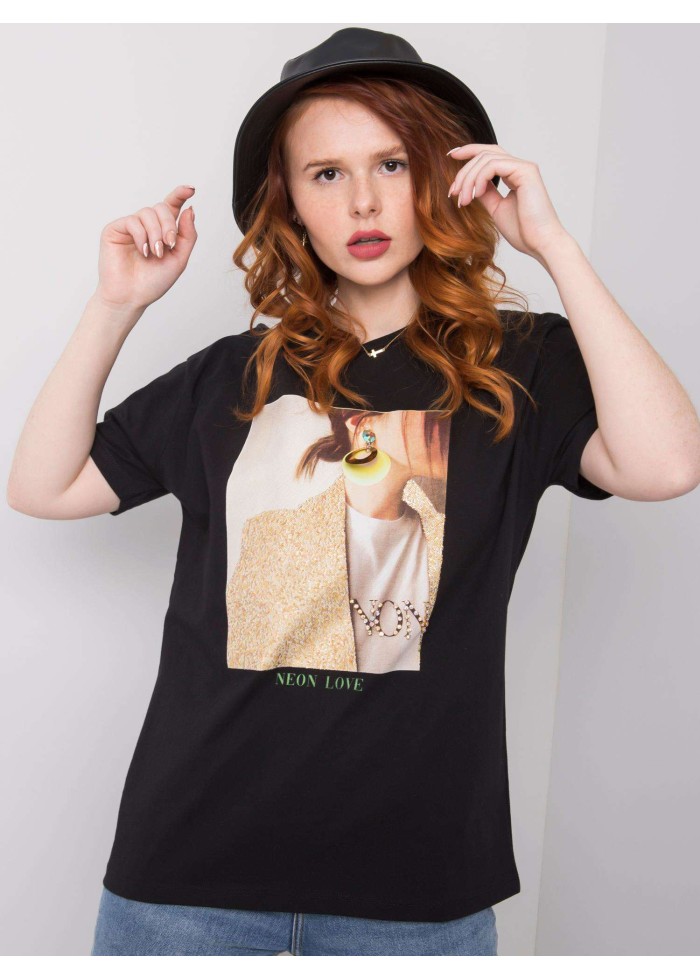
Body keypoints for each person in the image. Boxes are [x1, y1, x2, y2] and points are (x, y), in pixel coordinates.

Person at [7, 27, 699, 957]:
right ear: (290, 201)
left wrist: (554, 246)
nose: (364, 201)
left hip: (418, 889)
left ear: (443, 179)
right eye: (326, 173)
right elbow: (43, 484)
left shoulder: (520, 363)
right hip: (188, 876)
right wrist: (116, 305)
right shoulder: (232, 376)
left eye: (392, 164)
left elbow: (667, 464)